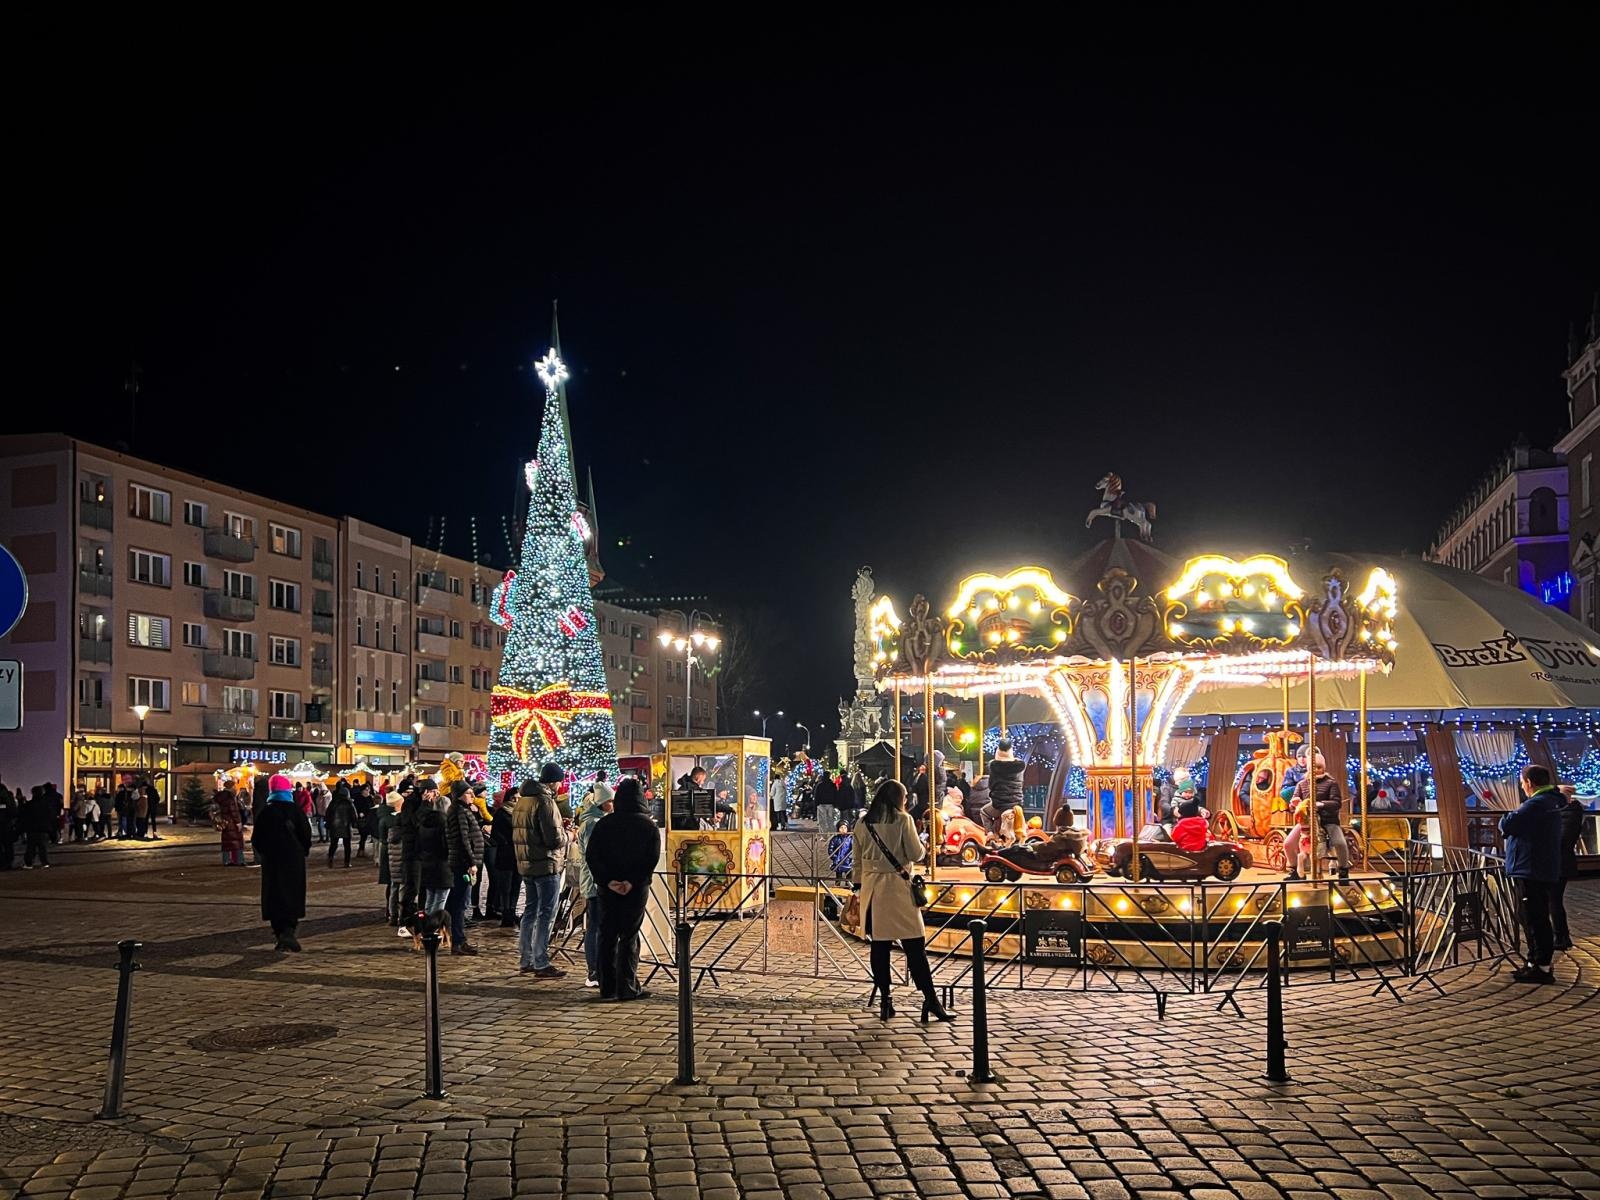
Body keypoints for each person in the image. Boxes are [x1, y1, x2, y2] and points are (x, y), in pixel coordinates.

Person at [851, 779, 952, 1023]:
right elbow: (917, 853)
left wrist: (859, 885)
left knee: (880, 947)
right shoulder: (903, 820)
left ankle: (886, 999)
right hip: (897, 888)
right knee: (915, 948)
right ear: (898, 798)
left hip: (873, 892)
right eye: (904, 797)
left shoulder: (863, 822)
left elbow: (856, 861)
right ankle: (930, 999)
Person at [584, 777, 660, 1002]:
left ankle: (607, 987)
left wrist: (607, 880)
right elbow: (650, 859)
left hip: (609, 888)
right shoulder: (648, 826)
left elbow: (592, 856)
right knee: (629, 935)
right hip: (634, 889)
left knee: (607, 934)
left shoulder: (604, 824)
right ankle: (627, 986)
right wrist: (632, 881)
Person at [1501, 765, 1565, 984]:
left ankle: (1541, 966)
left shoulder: (1537, 803)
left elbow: (1508, 824)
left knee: (1534, 917)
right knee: (1530, 916)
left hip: (1530, 868)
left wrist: (1508, 817)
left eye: (1522, 783)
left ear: (1529, 783)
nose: (1522, 787)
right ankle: (1534, 962)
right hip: (1538, 867)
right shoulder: (1551, 801)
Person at [515, 765, 570, 979]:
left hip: (527, 864)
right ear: (552, 781)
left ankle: (525, 959)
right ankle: (541, 961)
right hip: (546, 864)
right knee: (546, 913)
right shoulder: (545, 801)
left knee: (530, 911)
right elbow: (553, 839)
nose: (559, 786)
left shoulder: (523, 800)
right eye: (558, 782)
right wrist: (568, 836)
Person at [252, 773, 311, 951]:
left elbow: (257, 839)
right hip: (293, 860)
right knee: (292, 894)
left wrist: (266, 854)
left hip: (273, 861)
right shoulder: (296, 811)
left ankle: (280, 932)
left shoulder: (266, 812)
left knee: (275, 894)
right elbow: (306, 835)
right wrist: (302, 851)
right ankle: (289, 931)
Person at [1283, 750, 1350, 881]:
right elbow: (1294, 804)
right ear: (1308, 768)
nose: (1316, 770)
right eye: (1313, 767)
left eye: (1319, 767)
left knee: (1340, 843)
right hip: (1307, 821)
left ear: (1323, 768)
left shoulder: (1331, 783)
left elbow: (1336, 803)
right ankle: (1294, 870)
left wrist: (1321, 804)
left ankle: (1343, 869)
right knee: (1288, 843)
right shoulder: (1301, 784)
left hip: (1327, 820)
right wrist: (1294, 804)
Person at [574, 777, 615, 986]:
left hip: (596, 881)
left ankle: (599, 968)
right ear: (601, 803)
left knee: (598, 926)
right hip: (594, 882)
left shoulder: (595, 821)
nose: (612, 805)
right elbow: (593, 855)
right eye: (610, 801)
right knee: (595, 927)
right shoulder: (592, 824)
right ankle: (593, 970)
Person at [444, 781, 484, 955]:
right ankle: (458, 941)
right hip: (461, 864)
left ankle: (459, 939)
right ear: (459, 794)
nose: (472, 796)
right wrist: (471, 863)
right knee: (460, 903)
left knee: (460, 902)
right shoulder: (459, 811)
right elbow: (463, 839)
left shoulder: (463, 809)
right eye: (469, 793)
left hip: (462, 862)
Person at [414, 785, 453, 940]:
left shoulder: (424, 823)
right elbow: (446, 847)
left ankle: (425, 926)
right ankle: (433, 930)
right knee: (440, 900)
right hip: (442, 866)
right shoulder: (444, 824)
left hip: (427, 865)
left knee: (430, 898)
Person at [1553, 786, 1584, 952]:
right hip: (1560, 862)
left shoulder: (1569, 814)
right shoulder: (1567, 813)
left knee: (1554, 900)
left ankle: (1561, 936)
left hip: (1560, 863)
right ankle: (1560, 935)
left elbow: (1563, 839)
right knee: (1554, 900)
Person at [489, 787, 521, 928]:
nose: (517, 800)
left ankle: (512, 911)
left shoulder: (521, 813)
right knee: (505, 886)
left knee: (516, 885)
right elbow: (496, 834)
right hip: (505, 855)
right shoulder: (502, 813)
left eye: (519, 798)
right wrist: (507, 842)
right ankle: (506, 913)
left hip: (519, 854)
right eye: (514, 798)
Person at [378, 787, 405, 926]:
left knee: (392, 885)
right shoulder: (399, 820)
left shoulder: (383, 819)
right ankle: (399, 914)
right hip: (397, 855)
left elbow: (382, 837)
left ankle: (391, 913)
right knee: (399, 886)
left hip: (387, 854)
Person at [213, 783, 246, 866]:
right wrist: (238, 822)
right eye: (234, 786)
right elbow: (233, 810)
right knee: (237, 842)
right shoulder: (230, 797)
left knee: (226, 842)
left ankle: (226, 860)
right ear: (231, 787)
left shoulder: (221, 796)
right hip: (232, 823)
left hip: (225, 821)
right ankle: (238, 860)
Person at [21, 786, 53, 868]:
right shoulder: (46, 804)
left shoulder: (29, 805)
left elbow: (24, 817)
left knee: (31, 847)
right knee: (43, 847)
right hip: (43, 829)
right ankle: (45, 862)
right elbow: (50, 816)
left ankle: (29, 863)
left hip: (32, 829)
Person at [326, 782, 356, 868]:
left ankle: (330, 859)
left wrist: (329, 824)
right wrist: (353, 823)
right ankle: (347, 862)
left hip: (334, 826)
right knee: (347, 846)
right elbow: (354, 816)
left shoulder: (333, 803)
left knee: (333, 844)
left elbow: (328, 814)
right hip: (346, 827)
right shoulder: (349, 803)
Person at [0, 783, 16, 868]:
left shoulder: (5, 795)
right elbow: (12, 810)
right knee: (8, 845)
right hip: (6, 824)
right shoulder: (8, 794)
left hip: (5, 823)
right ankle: (8, 862)